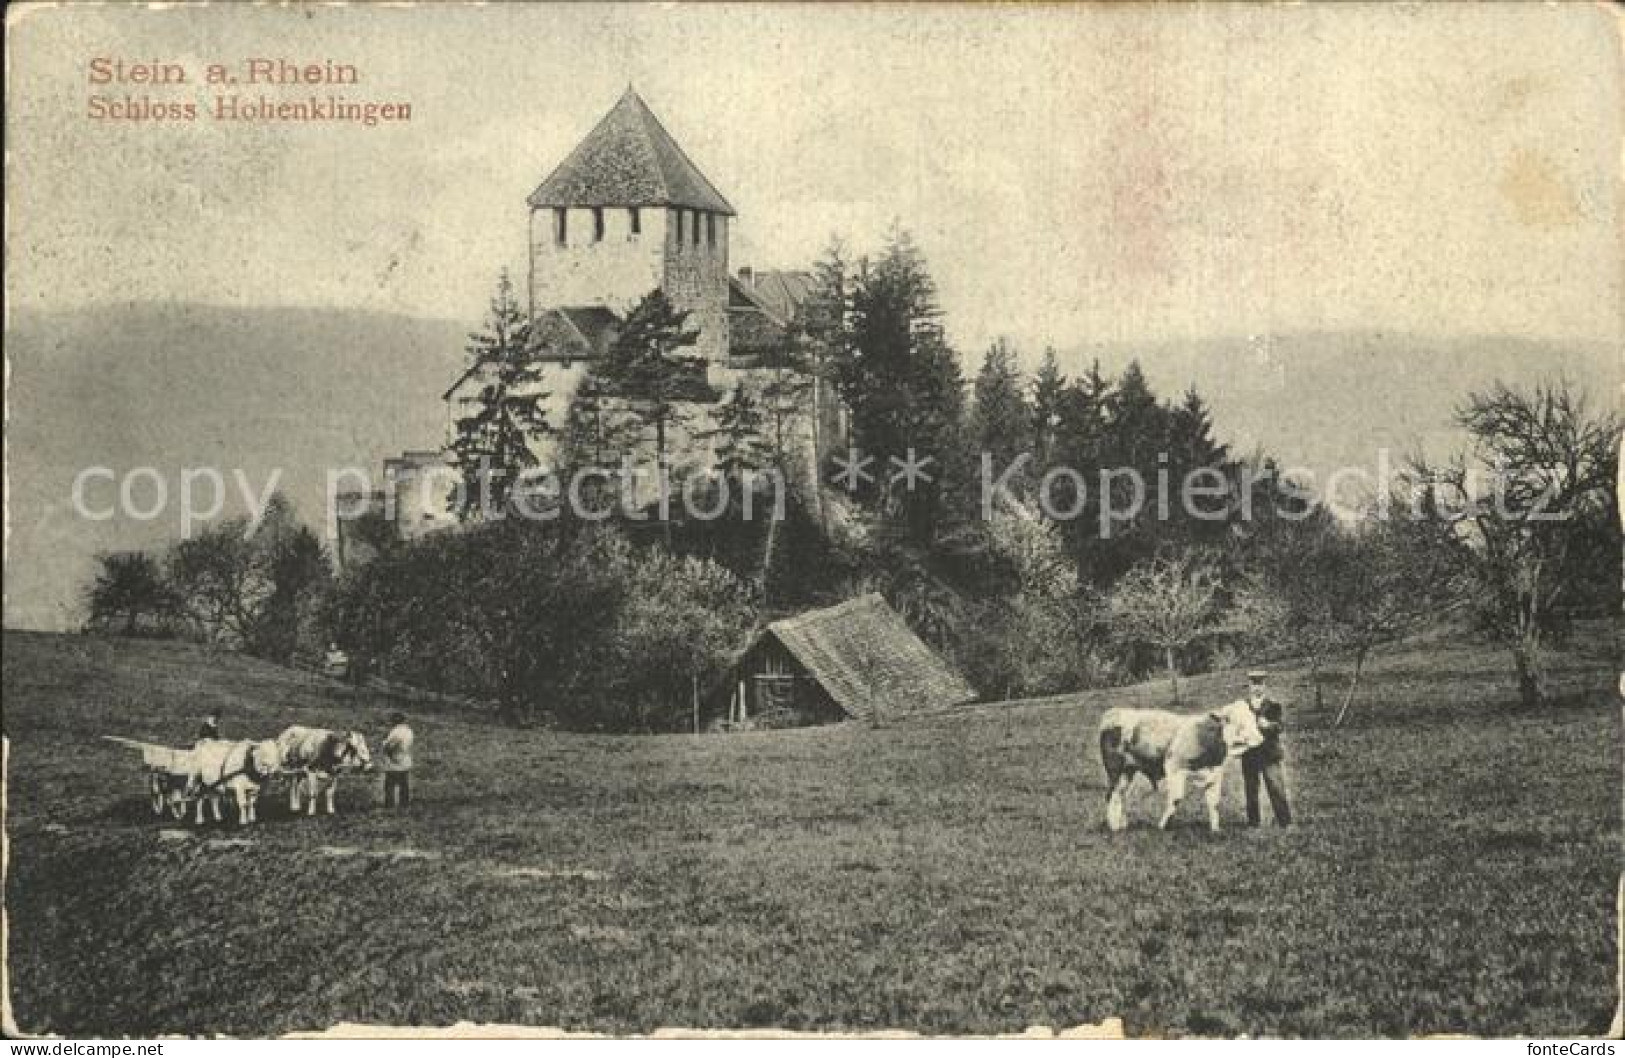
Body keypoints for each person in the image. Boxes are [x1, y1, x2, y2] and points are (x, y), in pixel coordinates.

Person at [1238, 670, 1292, 827]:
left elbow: (1280, 726)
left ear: (1265, 686)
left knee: (1276, 786)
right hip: (1249, 753)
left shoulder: (1274, 705)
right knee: (1251, 789)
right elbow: (1236, 727)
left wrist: (1269, 725)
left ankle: (1285, 822)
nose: (1257, 688)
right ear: (1249, 686)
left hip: (1269, 752)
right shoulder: (1243, 706)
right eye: (1254, 684)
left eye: (1260, 684)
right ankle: (1253, 823)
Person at [381, 712, 414, 809]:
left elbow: (389, 746)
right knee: (404, 784)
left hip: (393, 761)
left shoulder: (395, 732)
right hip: (405, 759)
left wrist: (384, 744)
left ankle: (389, 805)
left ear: (395, 721)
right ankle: (404, 804)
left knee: (389, 785)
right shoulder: (409, 731)